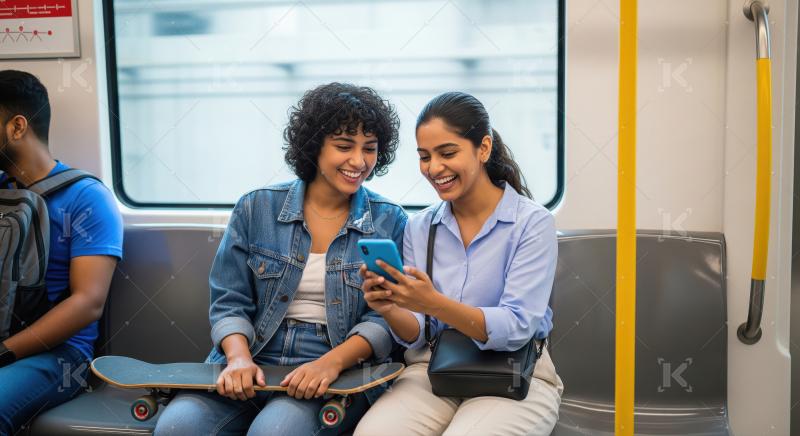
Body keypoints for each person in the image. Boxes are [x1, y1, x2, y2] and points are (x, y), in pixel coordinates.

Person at [154, 83, 407, 436]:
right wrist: (238, 358)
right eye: (344, 146)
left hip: (337, 364)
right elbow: (229, 301)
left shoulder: (389, 220)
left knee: (274, 431)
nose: (359, 161)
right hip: (252, 352)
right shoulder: (256, 207)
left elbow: (383, 319)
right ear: (314, 146)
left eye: (370, 148)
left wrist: (330, 364)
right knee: (177, 427)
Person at [355, 92, 563, 436]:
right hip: (434, 369)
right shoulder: (421, 227)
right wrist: (390, 308)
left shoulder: (532, 223)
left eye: (447, 153)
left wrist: (433, 303)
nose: (434, 168)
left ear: (483, 148)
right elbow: (418, 333)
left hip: (516, 373)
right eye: (424, 157)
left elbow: (516, 327)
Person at [0, 70, 124, 434]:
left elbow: (88, 303)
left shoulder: (87, 198)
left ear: (17, 127)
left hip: (59, 355)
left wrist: (5, 352)